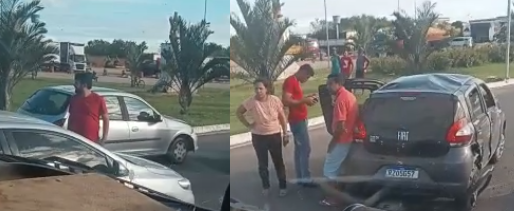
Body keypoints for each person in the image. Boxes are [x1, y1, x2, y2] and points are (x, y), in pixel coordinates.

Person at [235, 79, 289, 196]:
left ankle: (283, 186)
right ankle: (266, 186)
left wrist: (285, 133)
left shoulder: (274, 100)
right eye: (256, 89)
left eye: (261, 88)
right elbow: (239, 112)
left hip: (274, 135)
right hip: (258, 137)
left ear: (266, 89)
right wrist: (248, 124)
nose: (258, 91)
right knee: (262, 163)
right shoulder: (251, 101)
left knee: (278, 162)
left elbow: (282, 117)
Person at [319, 73, 359, 206]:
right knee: (338, 169)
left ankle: (332, 199)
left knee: (329, 171)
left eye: (330, 84)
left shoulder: (341, 99)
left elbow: (340, 127)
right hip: (348, 138)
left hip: (341, 140)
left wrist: (332, 143)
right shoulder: (350, 96)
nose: (328, 86)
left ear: (338, 84)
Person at [282, 64, 318, 187]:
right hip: (297, 120)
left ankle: (301, 178)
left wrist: (307, 99)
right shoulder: (290, 81)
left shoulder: (295, 82)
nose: (306, 80)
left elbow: (295, 99)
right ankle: (305, 179)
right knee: (305, 149)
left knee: (299, 150)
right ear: (302, 71)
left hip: (299, 119)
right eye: (307, 77)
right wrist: (304, 101)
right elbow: (286, 101)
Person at [68, 72, 110, 145]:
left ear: (84, 85)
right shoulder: (73, 99)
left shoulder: (98, 99)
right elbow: (71, 117)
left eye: (77, 83)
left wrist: (104, 138)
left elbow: (105, 118)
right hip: (74, 140)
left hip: (91, 142)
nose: (74, 85)